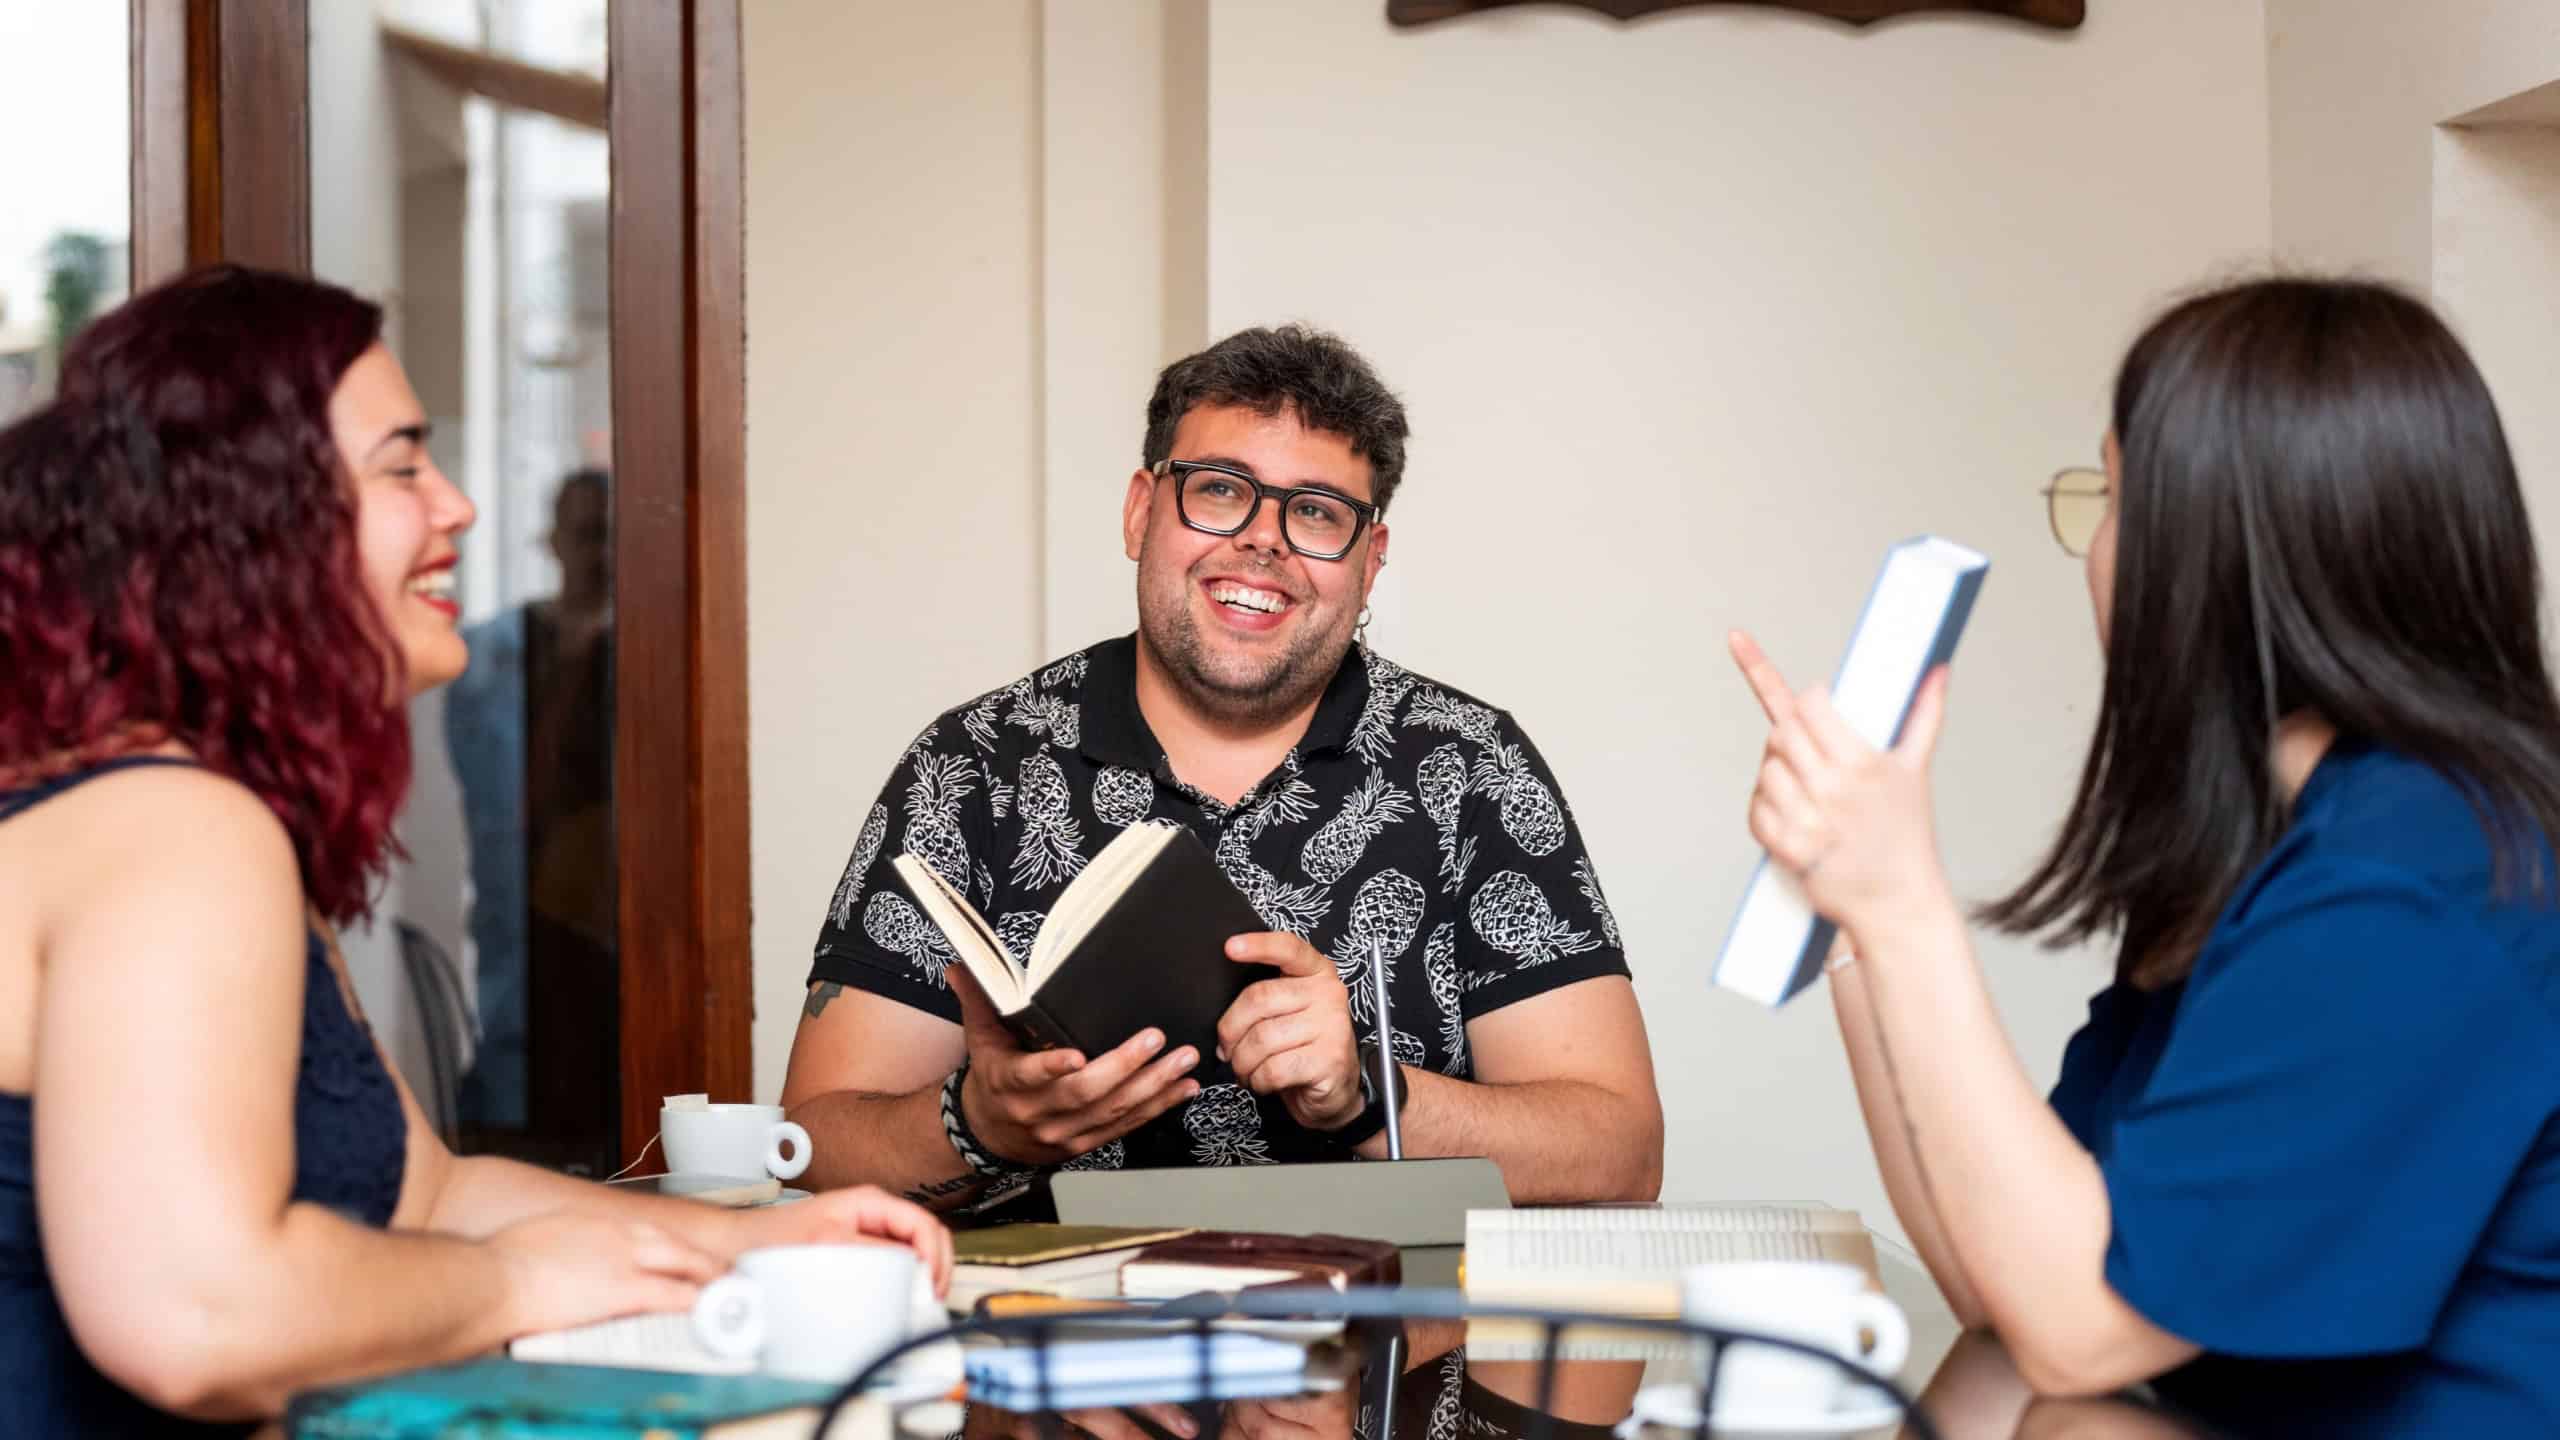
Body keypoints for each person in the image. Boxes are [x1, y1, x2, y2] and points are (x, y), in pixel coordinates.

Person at [0, 265, 950, 1432]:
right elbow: (197, 1320)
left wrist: (743, 1239)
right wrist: (525, 1283)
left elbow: (429, 1193)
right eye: (402, 465)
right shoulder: (178, 829)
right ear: (242, 517)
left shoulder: (195, 818)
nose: (456, 505)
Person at [1729, 277, 2560, 1435]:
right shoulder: (2270, 864)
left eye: (2112, 498)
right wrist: (1852, 917)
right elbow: (1996, 1281)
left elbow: (2078, 1325)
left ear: (2217, 545)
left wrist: (1903, 901)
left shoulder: (2413, 880)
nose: (2094, 552)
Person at [784, 325, 1662, 1213]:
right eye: (1218, 491)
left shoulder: (1471, 766)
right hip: (1041, 1327)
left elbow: (1620, 1153)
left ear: (1371, 563)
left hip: (1392, 1335)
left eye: (1317, 511)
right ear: (1140, 511)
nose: (1263, 543)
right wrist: (981, 1123)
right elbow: (812, 1143)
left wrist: (1366, 1094)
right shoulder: (970, 764)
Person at [445, 465, 617, 1149]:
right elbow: (478, 783)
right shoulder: (493, 654)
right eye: (585, 535)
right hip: (519, 896)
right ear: (553, 541)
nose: (599, 553)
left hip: (606, 904)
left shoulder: (649, 649)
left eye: (609, 536)